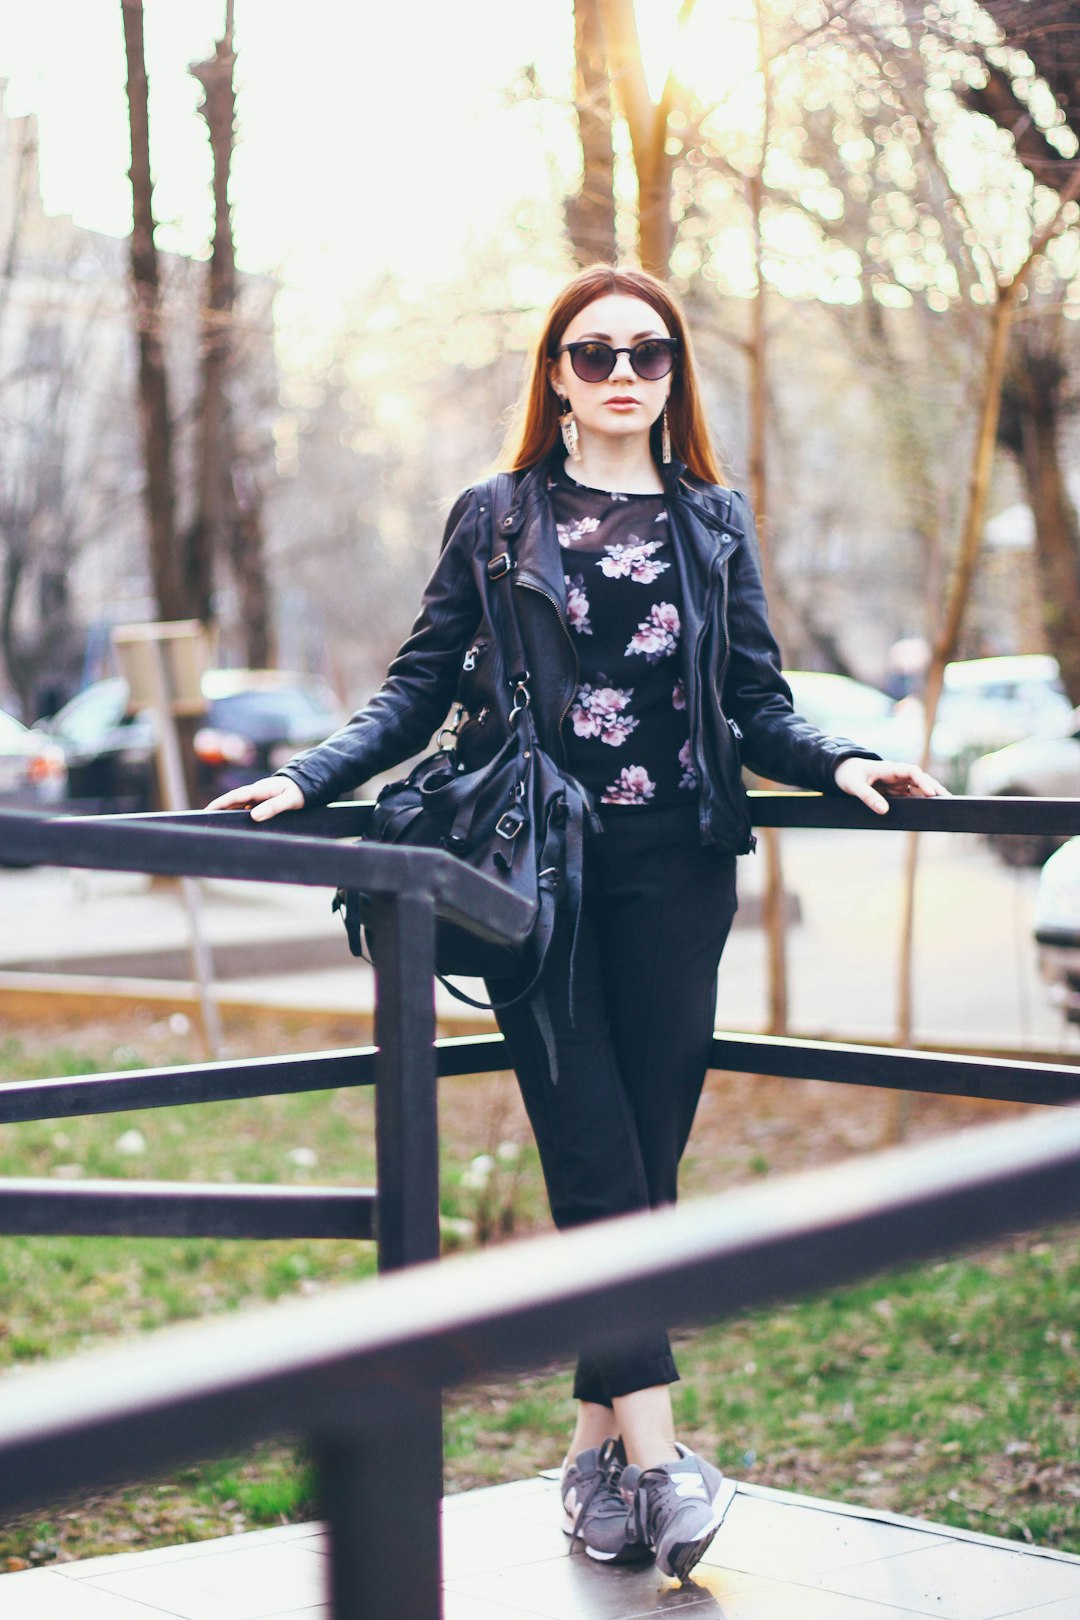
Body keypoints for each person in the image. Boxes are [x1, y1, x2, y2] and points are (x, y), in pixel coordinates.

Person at [208, 264, 947, 1583]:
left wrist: (844, 761)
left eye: (648, 353)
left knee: (643, 1169)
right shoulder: (495, 517)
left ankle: (589, 1458)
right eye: (594, 351)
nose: (622, 371)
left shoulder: (712, 520)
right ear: (554, 372)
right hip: (537, 881)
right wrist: (312, 775)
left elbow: (757, 702)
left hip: (681, 876)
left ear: (673, 375)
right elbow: (419, 686)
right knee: (597, 1152)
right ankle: (661, 1472)